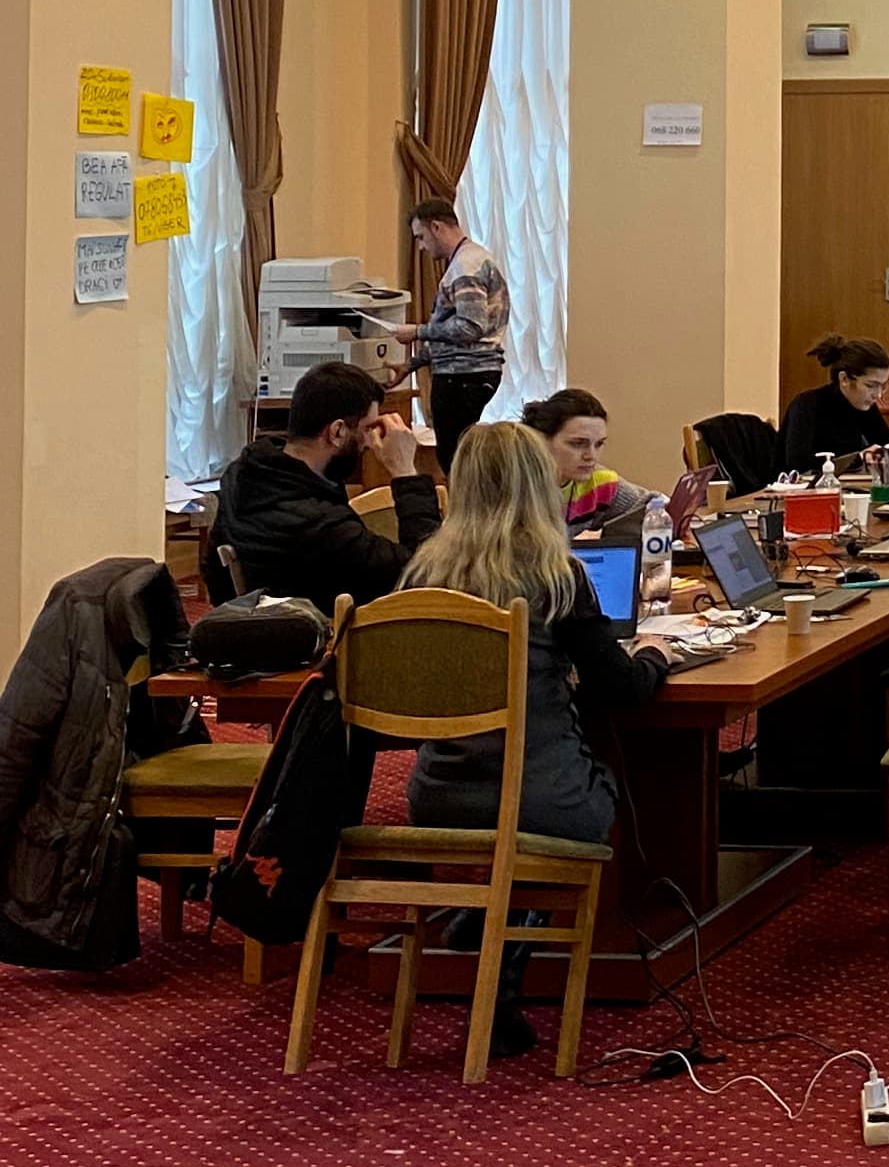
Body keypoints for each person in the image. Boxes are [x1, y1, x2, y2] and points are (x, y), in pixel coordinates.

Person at [402, 419, 665, 1058]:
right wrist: (655, 656)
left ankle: (477, 918)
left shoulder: (418, 578)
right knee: (599, 790)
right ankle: (504, 982)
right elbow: (620, 687)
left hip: (436, 796)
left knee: (539, 797)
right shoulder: (555, 574)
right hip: (538, 799)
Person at [215, 360, 421, 614]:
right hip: (327, 643)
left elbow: (214, 573)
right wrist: (405, 472)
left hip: (257, 633)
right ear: (337, 432)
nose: (369, 443)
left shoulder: (241, 478)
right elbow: (423, 576)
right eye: (367, 428)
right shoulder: (323, 526)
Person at [410, 200, 510, 450]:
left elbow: (469, 328)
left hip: (463, 375)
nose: (421, 246)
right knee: (455, 453)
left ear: (436, 227)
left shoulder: (466, 267)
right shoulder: (470, 260)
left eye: (421, 237)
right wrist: (412, 365)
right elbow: (454, 330)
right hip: (468, 373)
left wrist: (416, 331)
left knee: (452, 457)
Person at [522, 388, 654, 540]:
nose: (591, 456)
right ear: (542, 440)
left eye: (598, 444)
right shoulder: (515, 487)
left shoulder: (598, 482)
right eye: (578, 443)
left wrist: (606, 534)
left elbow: (656, 507)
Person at [781, 337, 889, 473]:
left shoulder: (864, 405)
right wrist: (858, 459)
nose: (878, 395)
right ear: (844, 379)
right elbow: (798, 464)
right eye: (871, 385)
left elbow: (887, 442)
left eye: (883, 387)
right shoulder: (806, 405)